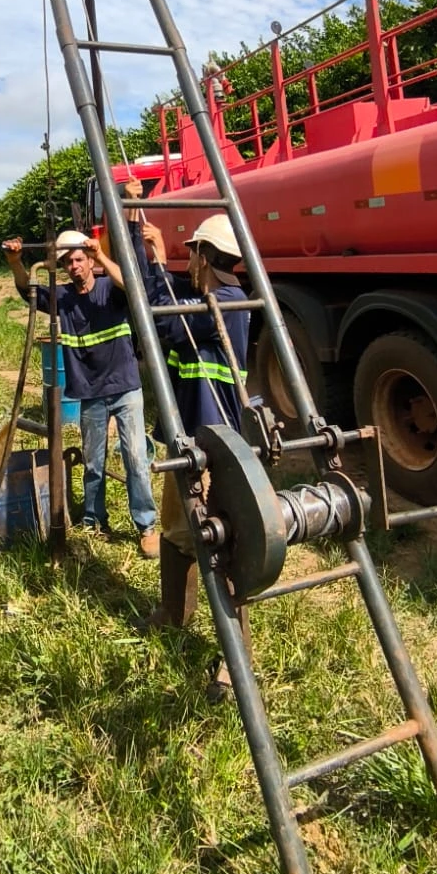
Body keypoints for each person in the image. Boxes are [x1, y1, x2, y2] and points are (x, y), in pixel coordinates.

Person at [1, 184, 158, 556]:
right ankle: (93, 520)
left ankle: (146, 526)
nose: (74, 267)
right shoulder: (64, 299)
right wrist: (15, 263)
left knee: (136, 459)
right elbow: (28, 292)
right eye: (68, 262)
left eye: (79, 260)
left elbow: (133, 285)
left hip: (124, 387)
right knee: (93, 463)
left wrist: (101, 255)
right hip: (89, 392)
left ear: (88, 261)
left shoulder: (110, 289)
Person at [139, 213, 252, 674]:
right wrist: (146, 252)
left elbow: (163, 324)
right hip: (188, 436)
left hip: (211, 444)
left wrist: (161, 260)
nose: (187, 261)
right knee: (176, 529)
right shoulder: (209, 296)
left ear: (205, 257)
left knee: (219, 541)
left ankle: (235, 661)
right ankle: (173, 614)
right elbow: (158, 296)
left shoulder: (226, 303)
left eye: (192, 253)